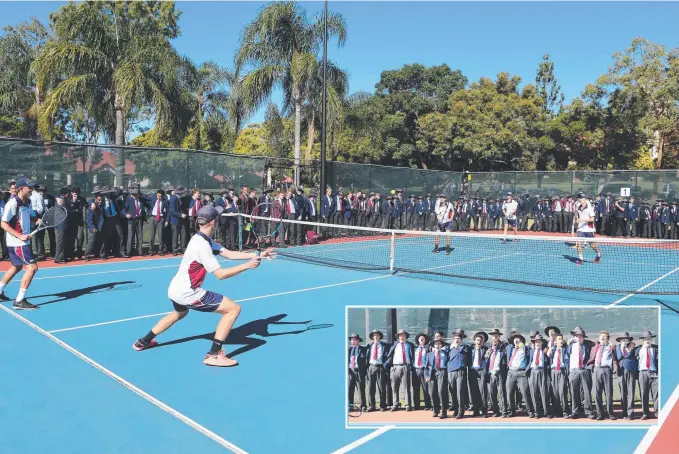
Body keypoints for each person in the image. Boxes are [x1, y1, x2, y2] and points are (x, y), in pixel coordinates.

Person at [132, 205, 275, 367]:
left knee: (180, 313)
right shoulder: (203, 246)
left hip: (175, 289)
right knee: (233, 309)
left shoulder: (200, 238)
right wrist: (247, 266)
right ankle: (213, 354)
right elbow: (220, 275)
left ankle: (143, 341)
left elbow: (227, 253)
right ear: (214, 222)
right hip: (188, 292)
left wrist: (257, 255)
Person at [0, 177, 40, 310]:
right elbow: (3, 223)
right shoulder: (12, 203)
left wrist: (36, 220)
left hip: (22, 241)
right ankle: (19, 301)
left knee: (16, 266)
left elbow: (28, 217)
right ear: (21, 188)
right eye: (29, 187)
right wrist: (20, 236)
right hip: (17, 242)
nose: (31, 190)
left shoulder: (27, 202)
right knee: (32, 268)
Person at [574, 193, 602, 265]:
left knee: (592, 245)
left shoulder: (589, 208)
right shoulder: (578, 207)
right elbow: (577, 216)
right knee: (579, 244)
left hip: (589, 229)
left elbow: (592, 219)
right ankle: (580, 259)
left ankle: (599, 254)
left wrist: (581, 220)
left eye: (580, 198)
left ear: (584, 199)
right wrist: (576, 220)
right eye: (578, 198)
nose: (579, 199)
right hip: (581, 229)